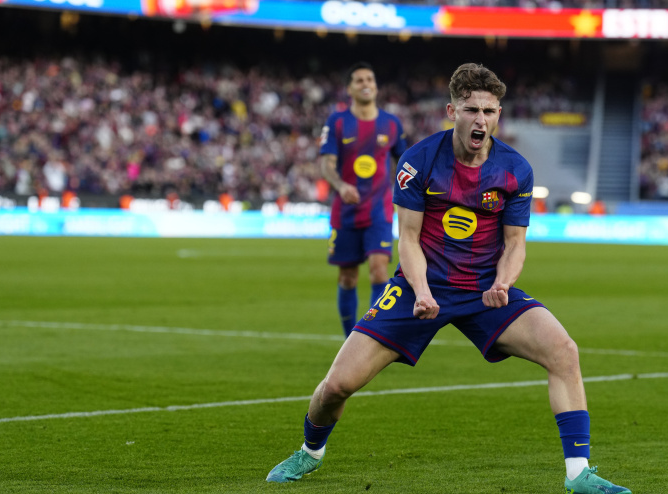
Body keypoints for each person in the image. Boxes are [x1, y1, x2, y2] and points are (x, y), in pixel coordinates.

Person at [266, 63, 631, 494]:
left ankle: (578, 473)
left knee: (563, 351)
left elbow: (515, 244)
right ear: (452, 111)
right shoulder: (418, 160)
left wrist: (502, 283)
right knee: (337, 385)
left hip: (483, 290)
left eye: (490, 112)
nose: (481, 120)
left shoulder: (516, 170)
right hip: (420, 287)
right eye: (472, 110)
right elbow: (408, 239)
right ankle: (310, 451)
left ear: (499, 115)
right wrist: (421, 292)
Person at [320, 62, 408, 337]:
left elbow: (405, 163)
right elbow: (326, 163)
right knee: (347, 277)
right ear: (349, 89)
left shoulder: (391, 123)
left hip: (379, 210)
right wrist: (340, 185)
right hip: (345, 210)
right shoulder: (337, 122)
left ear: (376, 86)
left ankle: (369, 338)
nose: (366, 84)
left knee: (379, 272)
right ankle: (350, 340)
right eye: (359, 80)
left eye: (370, 79)